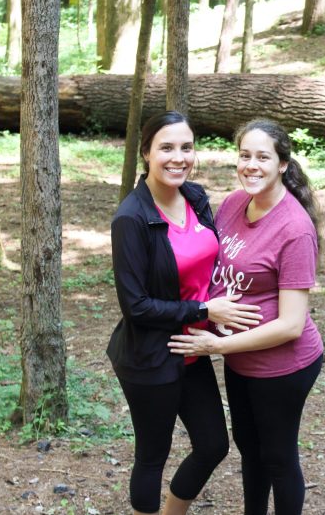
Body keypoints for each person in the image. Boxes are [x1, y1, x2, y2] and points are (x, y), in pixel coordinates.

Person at [107, 111, 263, 515]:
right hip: (150, 356)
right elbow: (135, 305)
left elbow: (209, 265)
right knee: (152, 456)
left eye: (186, 147)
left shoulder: (195, 197)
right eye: (166, 148)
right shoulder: (131, 219)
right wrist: (205, 308)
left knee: (213, 445)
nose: (179, 157)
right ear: (146, 153)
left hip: (193, 349)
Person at [167, 119, 324, 515]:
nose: (251, 166)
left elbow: (290, 324)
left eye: (263, 157)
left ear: (283, 164)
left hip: (283, 366)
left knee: (278, 457)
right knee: (249, 450)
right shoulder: (236, 203)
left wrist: (215, 345)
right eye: (244, 156)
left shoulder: (294, 229)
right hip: (240, 360)